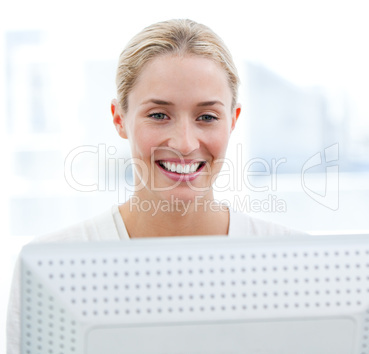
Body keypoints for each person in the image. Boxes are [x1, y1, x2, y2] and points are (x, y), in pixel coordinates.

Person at [6, 18, 303, 353]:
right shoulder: (54, 267)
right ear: (120, 118)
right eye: (159, 115)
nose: (185, 143)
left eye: (207, 117)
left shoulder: (296, 264)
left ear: (233, 121)